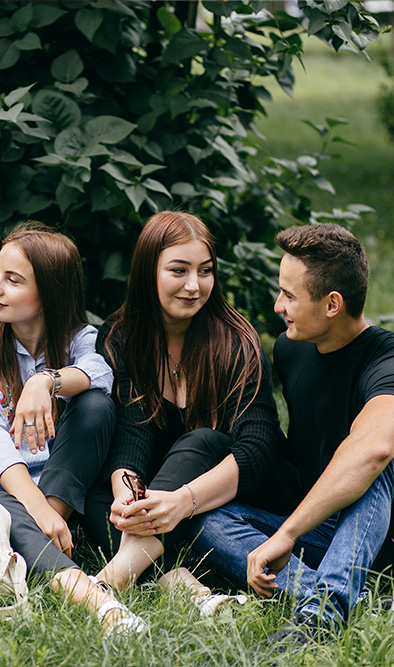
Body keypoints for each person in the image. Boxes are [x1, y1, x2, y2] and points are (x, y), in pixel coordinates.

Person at [191, 223, 394, 644]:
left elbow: (374, 451)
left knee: (376, 464)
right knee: (205, 515)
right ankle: (351, 595)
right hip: (331, 530)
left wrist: (286, 533)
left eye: (289, 295)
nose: (278, 305)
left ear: (333, 304)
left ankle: (321, 617)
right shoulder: (290, 350)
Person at [0, 222, 146, 636]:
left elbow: (100, 375)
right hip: (6, 489)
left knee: (94, 405)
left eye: (13, 280)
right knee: (7, 512)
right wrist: (38, 509)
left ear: (49, 293)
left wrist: (45, 381)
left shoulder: (80, 338)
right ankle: (100, 604)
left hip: (69, 486)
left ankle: (41, 533)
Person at [87, 211, 287, 614]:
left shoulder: (236, 341)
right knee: (97, 499)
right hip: (164, 501)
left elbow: (260, 449)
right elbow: (131, 434)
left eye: (205, 271)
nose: (194, 286)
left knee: (201, 440)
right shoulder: (121, 337)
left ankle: (109, 582)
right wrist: (130, 496)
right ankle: (181, 584)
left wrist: (181, 501)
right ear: (148, 272)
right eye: (178, 270)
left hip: (235, 495)